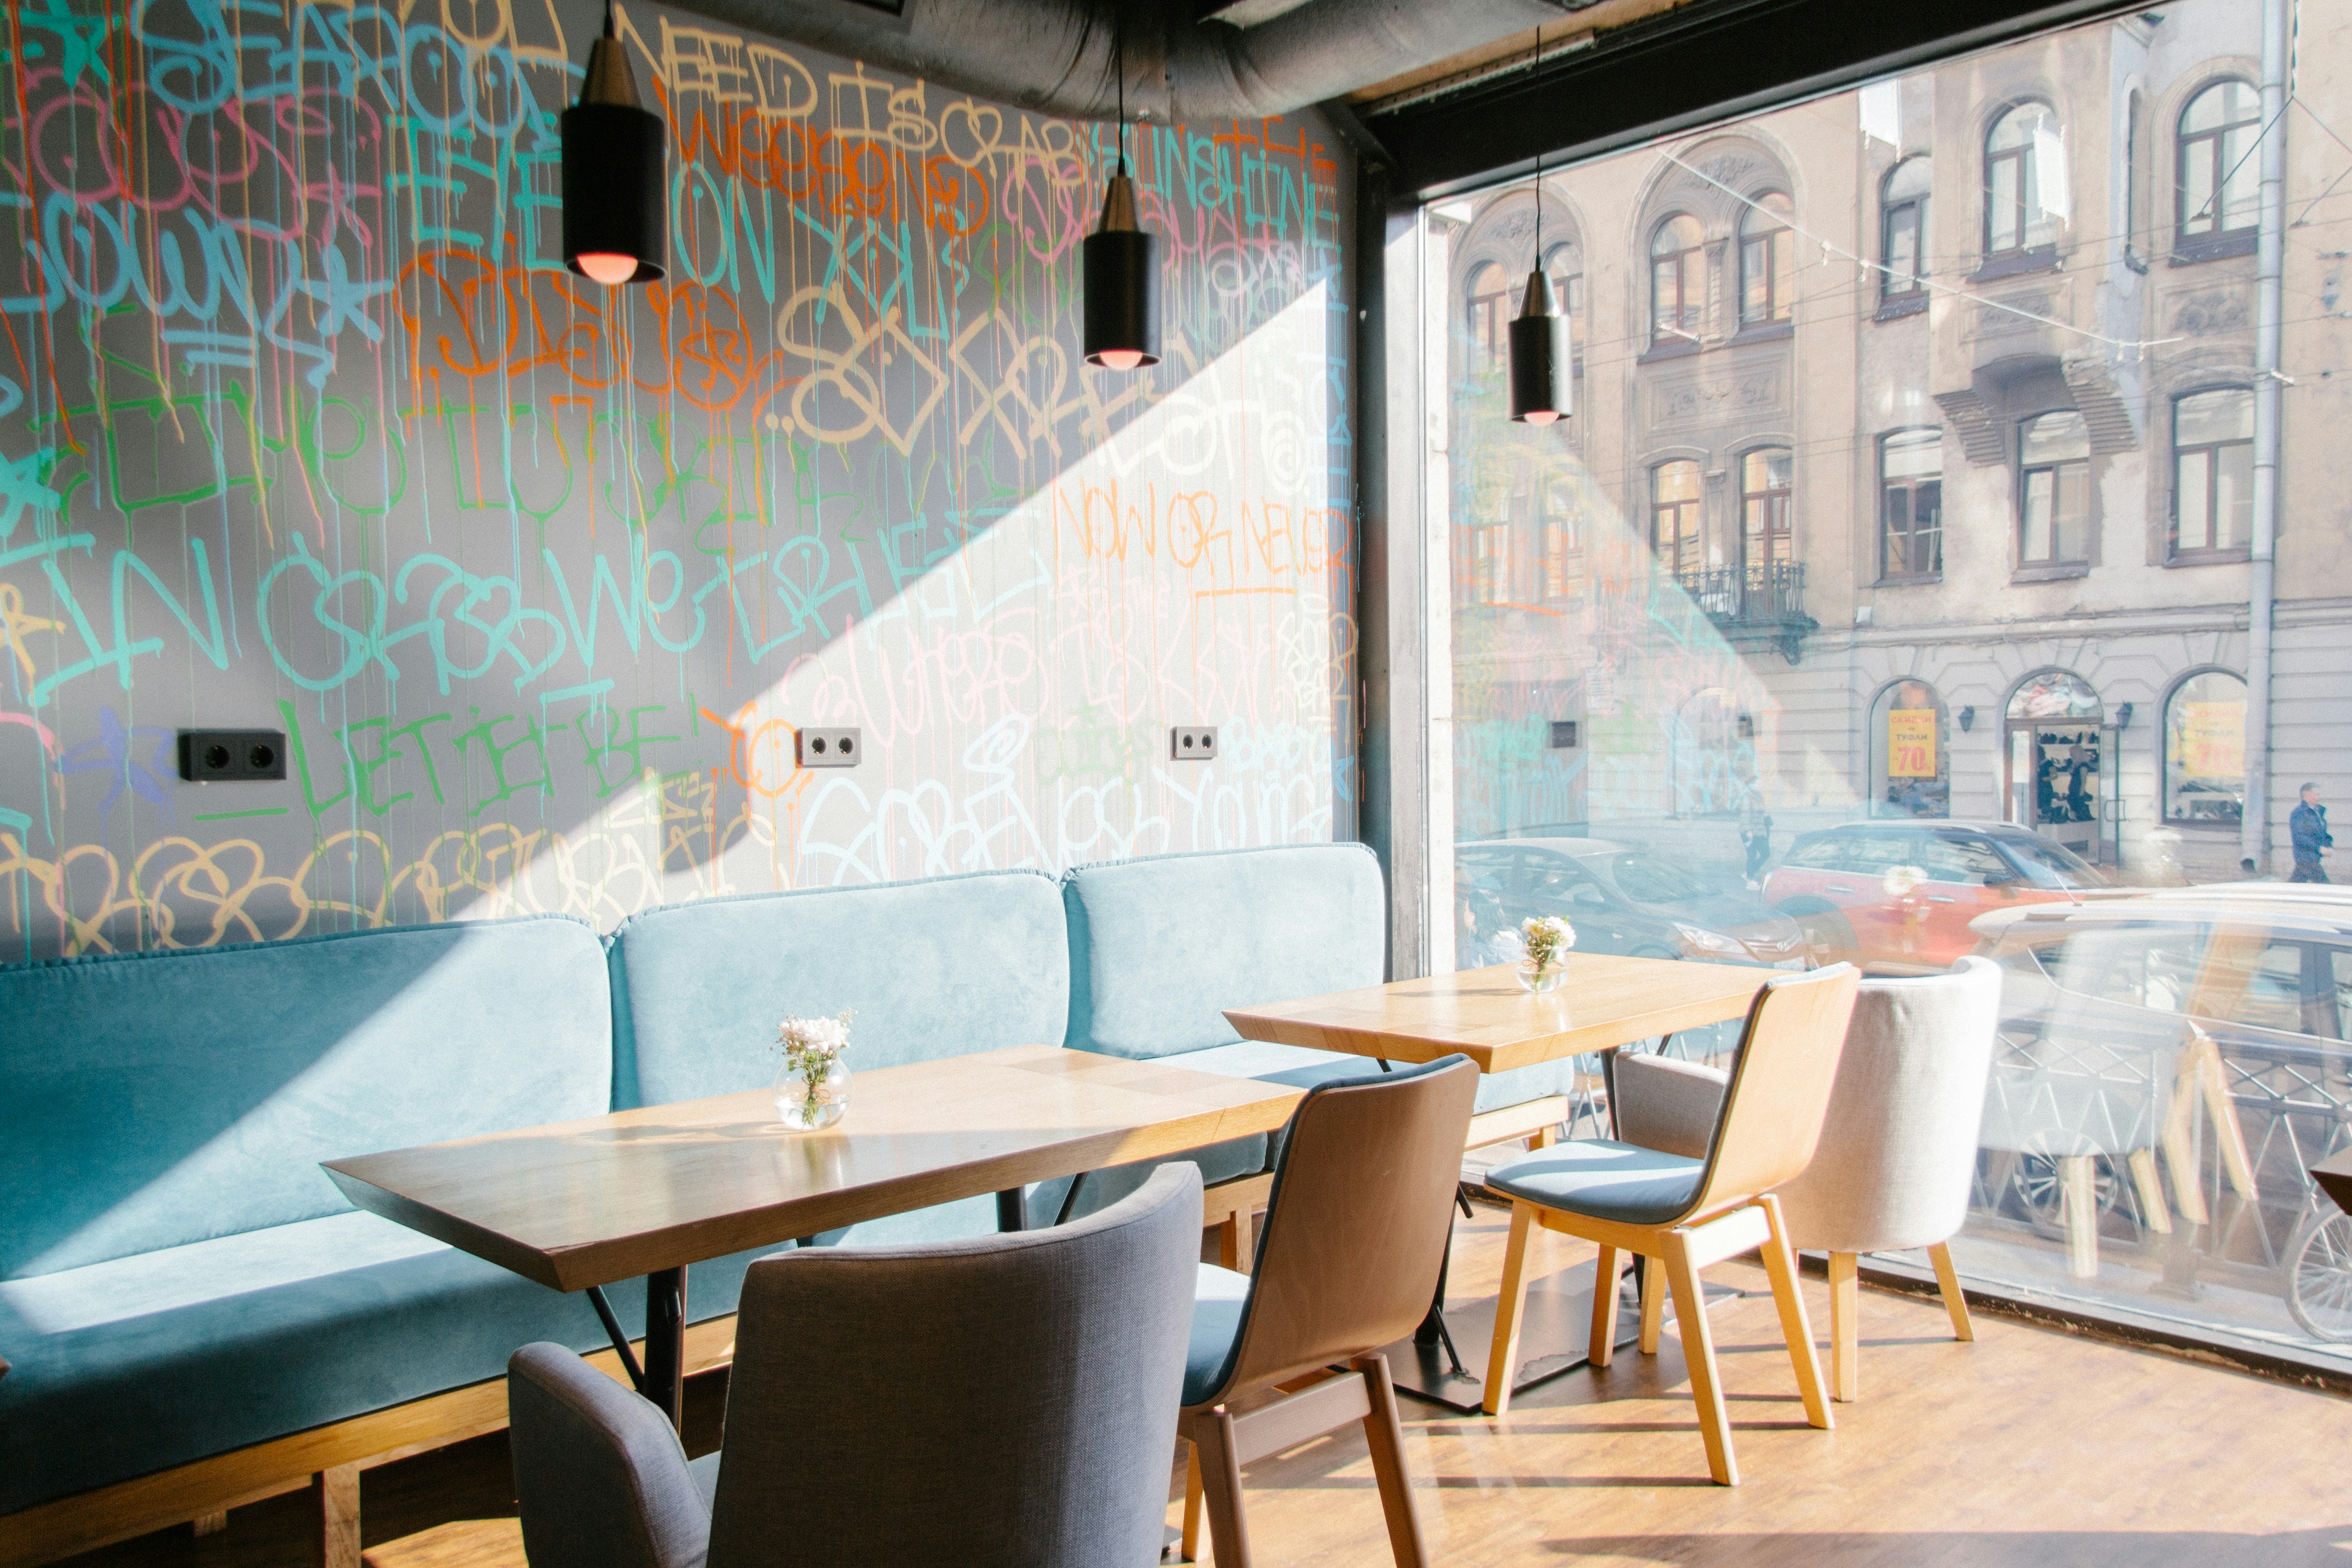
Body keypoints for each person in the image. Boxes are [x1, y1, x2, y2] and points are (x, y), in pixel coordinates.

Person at [2291, 782, 2334, 883]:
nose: (2318, 798)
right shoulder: (2299, 813)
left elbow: (2323, 834)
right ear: (2306, 795)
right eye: (2316, 794)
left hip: (2312, 857)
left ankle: (2282, 898)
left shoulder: (2317, 812)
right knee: (2325, 885)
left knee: (2295, 884)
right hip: (2306, 858)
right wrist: (2319, 848)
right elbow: (2299, 837)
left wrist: (2328, 846)